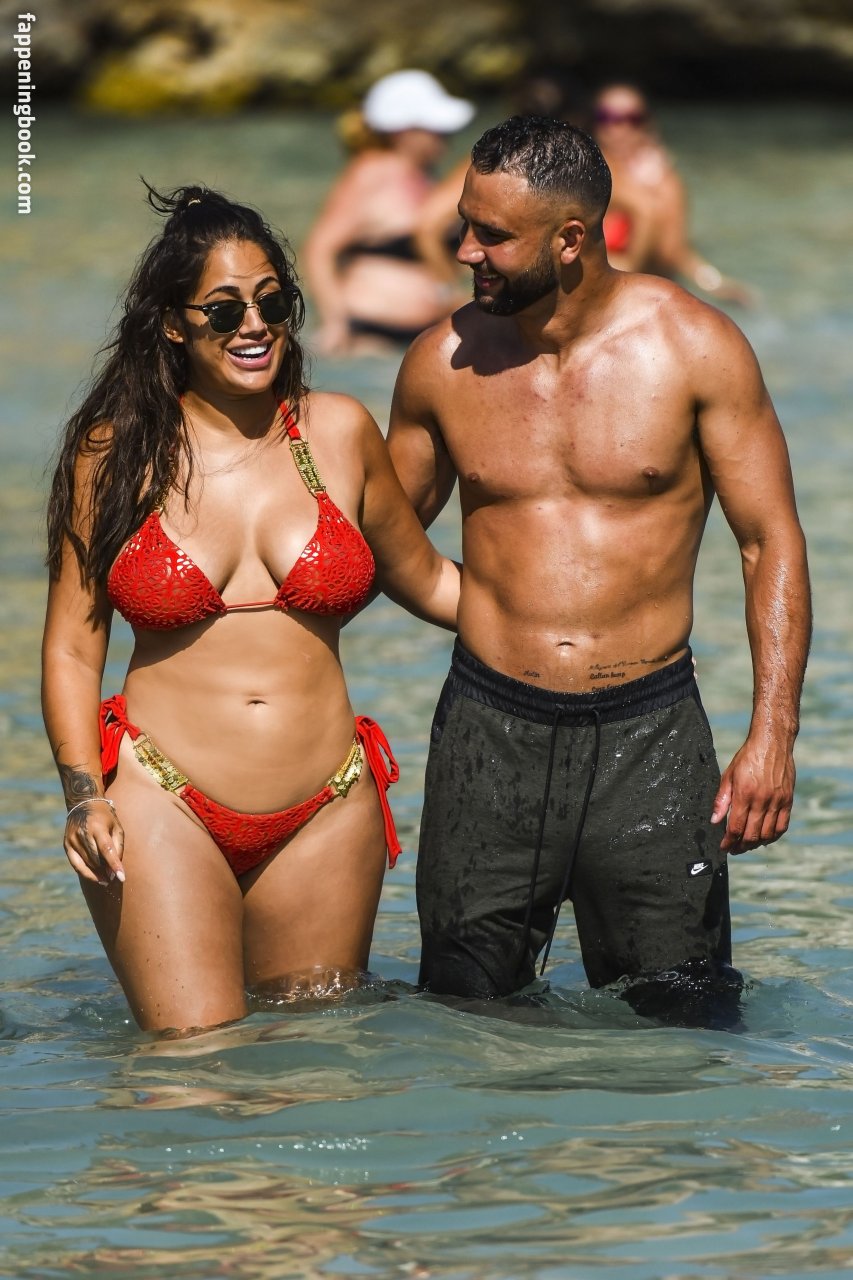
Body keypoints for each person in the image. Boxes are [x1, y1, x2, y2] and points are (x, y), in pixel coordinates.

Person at [386, 116, 810, 1021]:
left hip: (648, 731)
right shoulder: (441, 364)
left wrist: (772, 734)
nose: (464, 251)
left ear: (570, 239)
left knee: (682, 1017)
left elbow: (767, 540)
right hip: (487, 726)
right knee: (465, 1016)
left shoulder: (695, 349)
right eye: (464, 224)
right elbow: (377, 541)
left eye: (491, 234)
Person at [41, 183, 460, 1036]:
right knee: (189, 1066)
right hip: (163, 799)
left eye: (274, 303)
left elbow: (432, 584)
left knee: (312, 1072)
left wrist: (579, 625)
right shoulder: (114, 453)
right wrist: (84, 795)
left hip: (326, 807)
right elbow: (72, 650)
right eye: (225, 309)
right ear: (172, 323)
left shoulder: (337, 432)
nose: (254, 326)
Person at [302, 69, 475, 355]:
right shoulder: (372, 172)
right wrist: (335, 322)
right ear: (402, 132)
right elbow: (319, 249)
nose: (446, 138)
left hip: (418, 336)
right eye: (438, 130)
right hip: (369, 334)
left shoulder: (426, 177)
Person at [592, 82, 755, 305]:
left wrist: (716, 284)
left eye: (632, 119)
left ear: (646, 124)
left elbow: (675, 252)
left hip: (634, 290)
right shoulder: (586, 170)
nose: (619, 129)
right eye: (607, 118)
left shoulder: (664, 182)